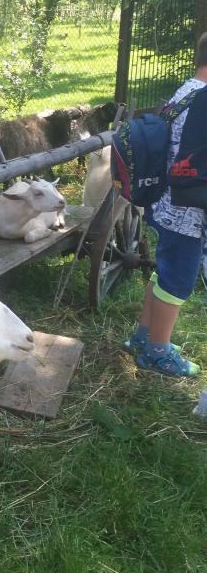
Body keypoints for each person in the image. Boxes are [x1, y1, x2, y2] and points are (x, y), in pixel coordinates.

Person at [126, 31, 207, 388]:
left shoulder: (187, 90)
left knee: (165, 271)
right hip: (188, 210)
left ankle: (144, 336)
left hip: (164, 200)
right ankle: (157, 352)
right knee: (178, 280)